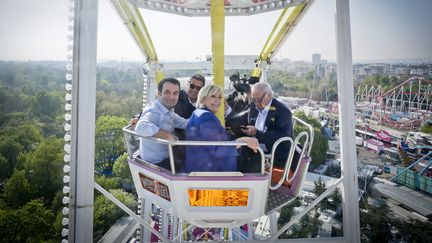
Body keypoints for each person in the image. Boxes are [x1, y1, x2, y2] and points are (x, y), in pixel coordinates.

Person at [183, 85, 259, 173]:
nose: (217, 101)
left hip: (200, 164)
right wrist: (242, 140)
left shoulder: (198, 113)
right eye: (212, 96)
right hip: (210, 169)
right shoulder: (206, 117)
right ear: (203, 98)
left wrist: (243, 138)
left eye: (220, 97)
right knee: (257, 157)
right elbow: (217, 150)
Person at [236, 82, 293, 173]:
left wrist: (256, 133)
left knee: (251, 166)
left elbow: (283, 137)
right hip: (255, 146)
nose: (255, 103)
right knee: (237, 154)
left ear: (269, 95)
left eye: (257, 100)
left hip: (273, 151)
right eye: (252, 99)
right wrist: (227, 111)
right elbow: (242, 118)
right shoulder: (254, 105)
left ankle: (246, 185)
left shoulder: (283, 112)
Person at [135, 78, 188, 171]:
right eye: (167, 92)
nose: (172, 97)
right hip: (157, 165)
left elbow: (185, 123)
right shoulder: (154, 111)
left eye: (175, 93)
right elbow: (140, 127)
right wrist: (167, 135)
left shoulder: (167, 111)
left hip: (165, 158)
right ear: (158, 93)